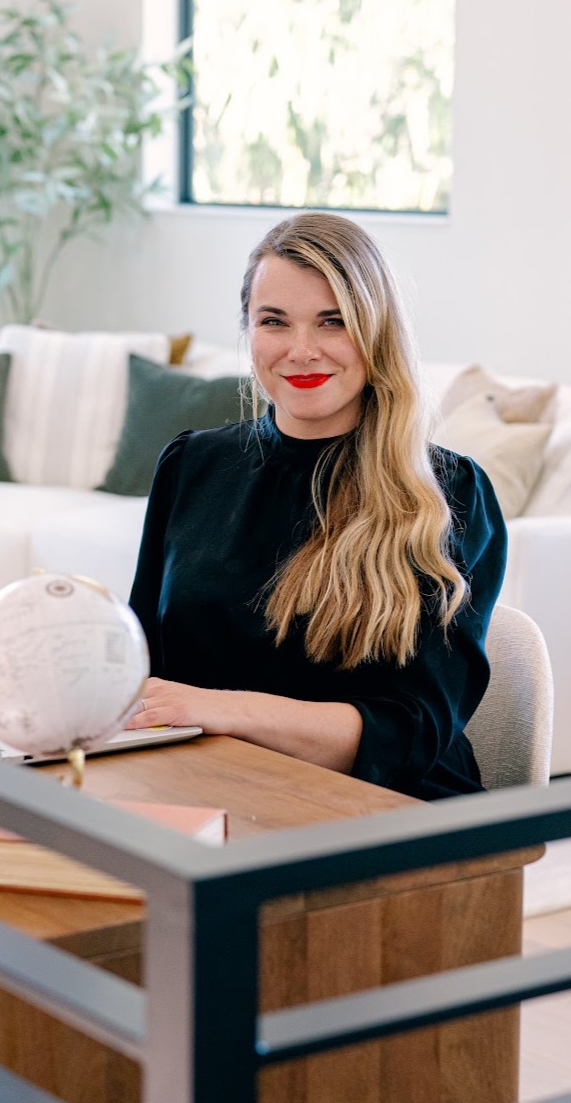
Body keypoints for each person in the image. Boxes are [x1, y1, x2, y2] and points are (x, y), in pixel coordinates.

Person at [126, 212, 506, 799]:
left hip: (384, 811)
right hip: (207, 789)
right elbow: (140, 661)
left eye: (333, 323)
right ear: (248, 331)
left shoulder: (450, 494)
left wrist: (219, 710)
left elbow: (409, 733)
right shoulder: (190, 466)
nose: (301, 351)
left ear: (377, 333)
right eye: (273, 322)